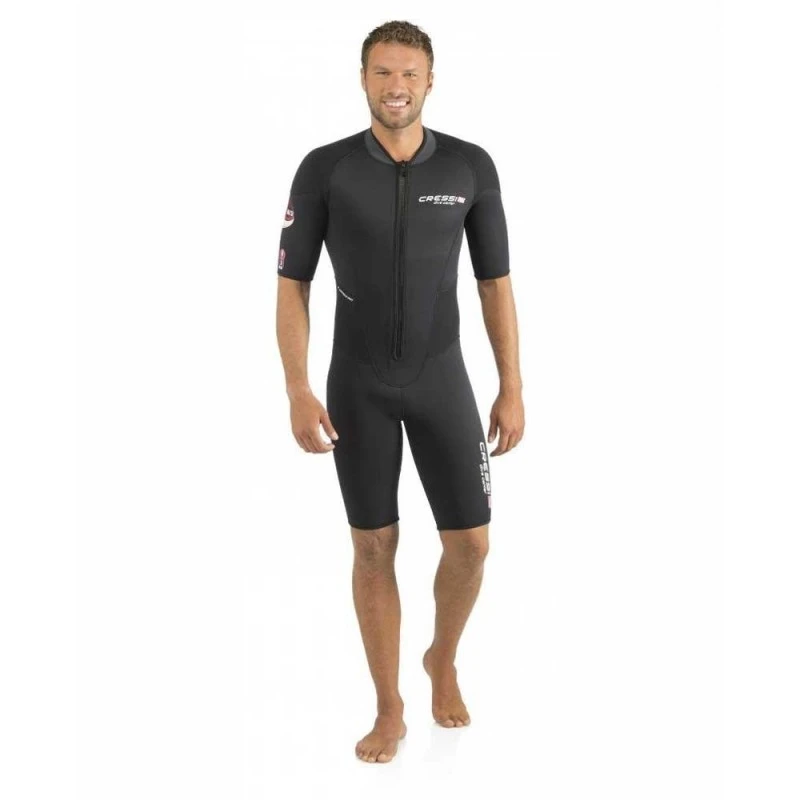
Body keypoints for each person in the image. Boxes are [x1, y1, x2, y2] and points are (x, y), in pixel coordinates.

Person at [275, 20, 524, 764]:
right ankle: (389, 707)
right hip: (358, 384)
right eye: (383, 72)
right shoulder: (325, 169)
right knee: (373, 545)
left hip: (442, 377)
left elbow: (495, 283)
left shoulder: (471, 167)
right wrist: (296, 387)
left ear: (430, 81)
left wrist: (512, 385)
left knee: (472, 544)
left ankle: (441, 656)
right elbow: (292, 285)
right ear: (363, 78)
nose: (396, 87)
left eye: (409, 74)